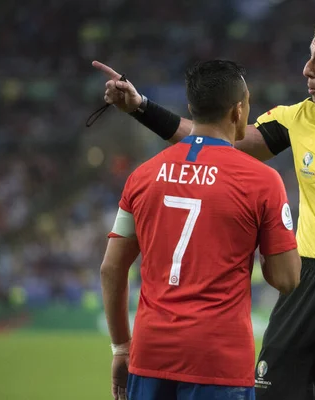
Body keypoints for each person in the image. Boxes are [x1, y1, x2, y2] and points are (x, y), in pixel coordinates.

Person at [94, 13, 315, 400]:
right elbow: (217, 138)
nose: (307, 69)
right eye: (309, 56)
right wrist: (142, 107)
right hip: (304, 282)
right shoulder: (301, 116)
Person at [99, 60, 301, 400]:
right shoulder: (262, 181)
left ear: (193, 107)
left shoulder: (143, 175)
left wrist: (121, 347)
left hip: (149, 355)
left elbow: (111, 268)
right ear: (238, 110)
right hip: (219, 360)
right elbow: (286, 279)